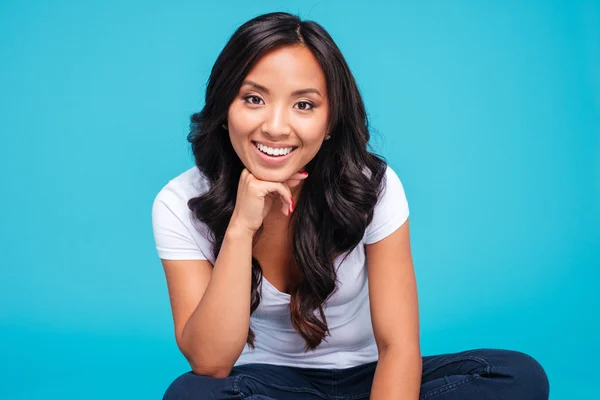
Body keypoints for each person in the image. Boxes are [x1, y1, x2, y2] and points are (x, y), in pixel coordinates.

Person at [151, 11, 549, 400]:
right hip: (263, 385)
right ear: (225, 110)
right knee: (191, 394)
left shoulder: (371, 185)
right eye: (253, 99)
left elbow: (398, 345)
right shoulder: (179, 202)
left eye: (303, 105)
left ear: (329, 123)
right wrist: (240, 228)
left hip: (370, 379)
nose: (275, 126)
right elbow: (211, 363)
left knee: (514, 375)